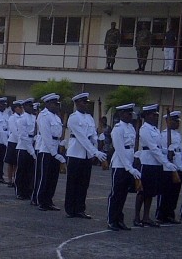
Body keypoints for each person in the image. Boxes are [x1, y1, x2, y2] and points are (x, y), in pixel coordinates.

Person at [64, 92, 105, 218]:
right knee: (73, 182)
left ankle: (80, 209)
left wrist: (97, 144)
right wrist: (95, 152)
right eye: (83, 102)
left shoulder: (89, 118)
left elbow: (93, 135)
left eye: (86, 102)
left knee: (83, 183)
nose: (85, 104)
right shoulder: (73, 118)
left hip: (87, 155)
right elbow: (81, 137)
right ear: (77, 103)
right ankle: (70, 209)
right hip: (75, 153)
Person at [134, 104, 171, 227]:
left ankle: (146, 217)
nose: (156, 117)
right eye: (153, 115)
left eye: (156, 115)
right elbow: (153, 148)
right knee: (142, 191)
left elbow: (159, 147)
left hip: (155, 163)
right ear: (147, 116)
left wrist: (167, 151)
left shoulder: (155, 129)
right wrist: (165, 162)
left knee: (150, 192)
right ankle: (136, 217)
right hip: (147, 162)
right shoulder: (144, 129)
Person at [107, 103, 141, 231]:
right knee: (116, 193)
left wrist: (135, 160)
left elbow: (132, 146)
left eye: (131, 113)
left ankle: (119, 219)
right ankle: (111, 220)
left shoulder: (131, 128)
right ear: (121, 114)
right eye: (127, 113)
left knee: (123, 194)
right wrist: (129, 167)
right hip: (120, 164)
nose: (130, 116)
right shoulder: (117, 129)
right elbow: (120, 150)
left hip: (129, 163)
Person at [33, 93, 64, 210]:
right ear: (48, 104)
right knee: (44, 177)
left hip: (55, 147)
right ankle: (41, 201)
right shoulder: (43, 115)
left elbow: (58, 134)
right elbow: (46, 136)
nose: (57, 106)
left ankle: (49, 200)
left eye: (57, 104)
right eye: (55, 104)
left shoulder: (56, 117)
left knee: (53, 177)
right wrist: (54, 153)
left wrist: (60, 146)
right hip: (46, 150)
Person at [155, 111, 182, 223]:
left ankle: (170, 213)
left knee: (174, 191)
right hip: (167, 166)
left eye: (178, 121)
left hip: (178, 164)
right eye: (175, 121)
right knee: (165, 191)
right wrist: (168, 152)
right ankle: (161, 214)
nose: (177, 123)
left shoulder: (177, 134)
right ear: (169, 121)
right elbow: (161, 149)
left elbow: (180, 149)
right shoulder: (163, 135)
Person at [14, 98, 36, 200]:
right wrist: (31, 151)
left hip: (32, 145)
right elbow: (23, 136)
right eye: (30, 106)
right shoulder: (22, 119)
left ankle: (28, 191)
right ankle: (19, 191)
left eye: (32, 106)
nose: (32, 108)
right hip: (23, 147)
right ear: (25, 107)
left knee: (30, 172)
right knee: (21, 171)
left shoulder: (34, 118)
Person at [4, 100, 22, 186]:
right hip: (13, 141)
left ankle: (15, 179)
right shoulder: (12, 118)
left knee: (17, 163)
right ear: (15, 108)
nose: (21, 109)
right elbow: (14, 131)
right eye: (19, 107)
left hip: (20, 142)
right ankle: (10, 180)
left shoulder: (22, 117)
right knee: (11, 162)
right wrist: (20, 139)